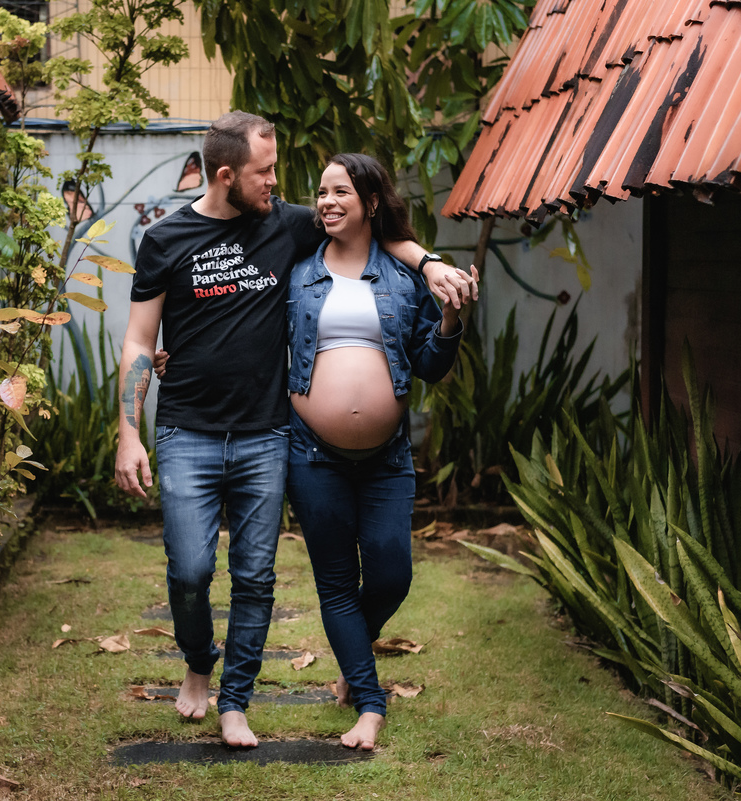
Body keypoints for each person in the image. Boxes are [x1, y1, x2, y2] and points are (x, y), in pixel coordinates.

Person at [114, 111, 477, 748]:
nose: (280, 185)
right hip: (190, 431)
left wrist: (429, 265)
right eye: (266, 171)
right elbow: (141, 339)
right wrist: (129, 431)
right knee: (190, 572)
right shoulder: (165, 238)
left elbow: (371, 226)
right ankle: (200, 663)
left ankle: (236, 703)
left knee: (258, 577)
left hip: (264, 434)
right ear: (227, 176)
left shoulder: (287, 225)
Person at [285, 154, 473, 751]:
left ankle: (351, 656)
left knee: (392, 574)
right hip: (312, 453)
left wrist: (446, 320)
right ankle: (370, 703)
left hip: (386, 456)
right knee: (337, 582)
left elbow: (428, 366)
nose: (327, 201)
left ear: (370, 201)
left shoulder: (402, 278)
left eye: (341, 191)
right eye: (321, 192)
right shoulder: (296, 268)